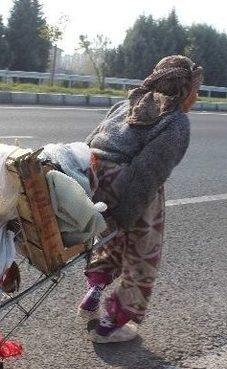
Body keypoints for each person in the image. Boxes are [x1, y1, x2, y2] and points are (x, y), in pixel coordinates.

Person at [79, 55, 204, 343]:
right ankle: (112, 322)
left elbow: (89, 144)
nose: (197, 97)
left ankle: (95, 288)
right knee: (142, 253)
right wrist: (125, 216)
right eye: (195, 90)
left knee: (109, 237)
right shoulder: (175, 121)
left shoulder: (125, 105)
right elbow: (147, 173)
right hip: (128, 183)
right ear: (183, 90)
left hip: (93, 175)